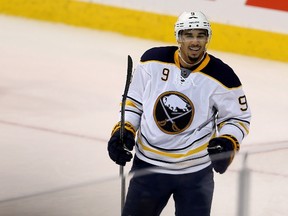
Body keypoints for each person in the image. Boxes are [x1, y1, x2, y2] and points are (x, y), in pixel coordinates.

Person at [108, 11, 251, 216]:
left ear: (208, 38)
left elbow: (238, 118)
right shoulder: (152, 62)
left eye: (200, 35)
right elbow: (134, 102)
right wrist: (125, 130)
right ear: (178, 37)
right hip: (149, 167)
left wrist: (227, 141)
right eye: (188, 35)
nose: (195, 42)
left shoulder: (223, 77)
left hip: (195, 173)